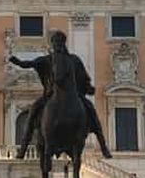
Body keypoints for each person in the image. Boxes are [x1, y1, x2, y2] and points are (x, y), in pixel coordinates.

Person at [9, 31, 113, 160]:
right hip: (51, 95)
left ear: (64, 44)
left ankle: (103, 147)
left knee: (91, 110)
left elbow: (83, 76)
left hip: (74, 94)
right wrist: (17, 62)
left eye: (60, 42)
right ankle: (23, 148)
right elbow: (30, 64)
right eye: (55, 42)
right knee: (33, 112)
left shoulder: (74, 59)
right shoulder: (47, 59)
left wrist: (88, 87)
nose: (58, 44)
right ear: (52, 44)